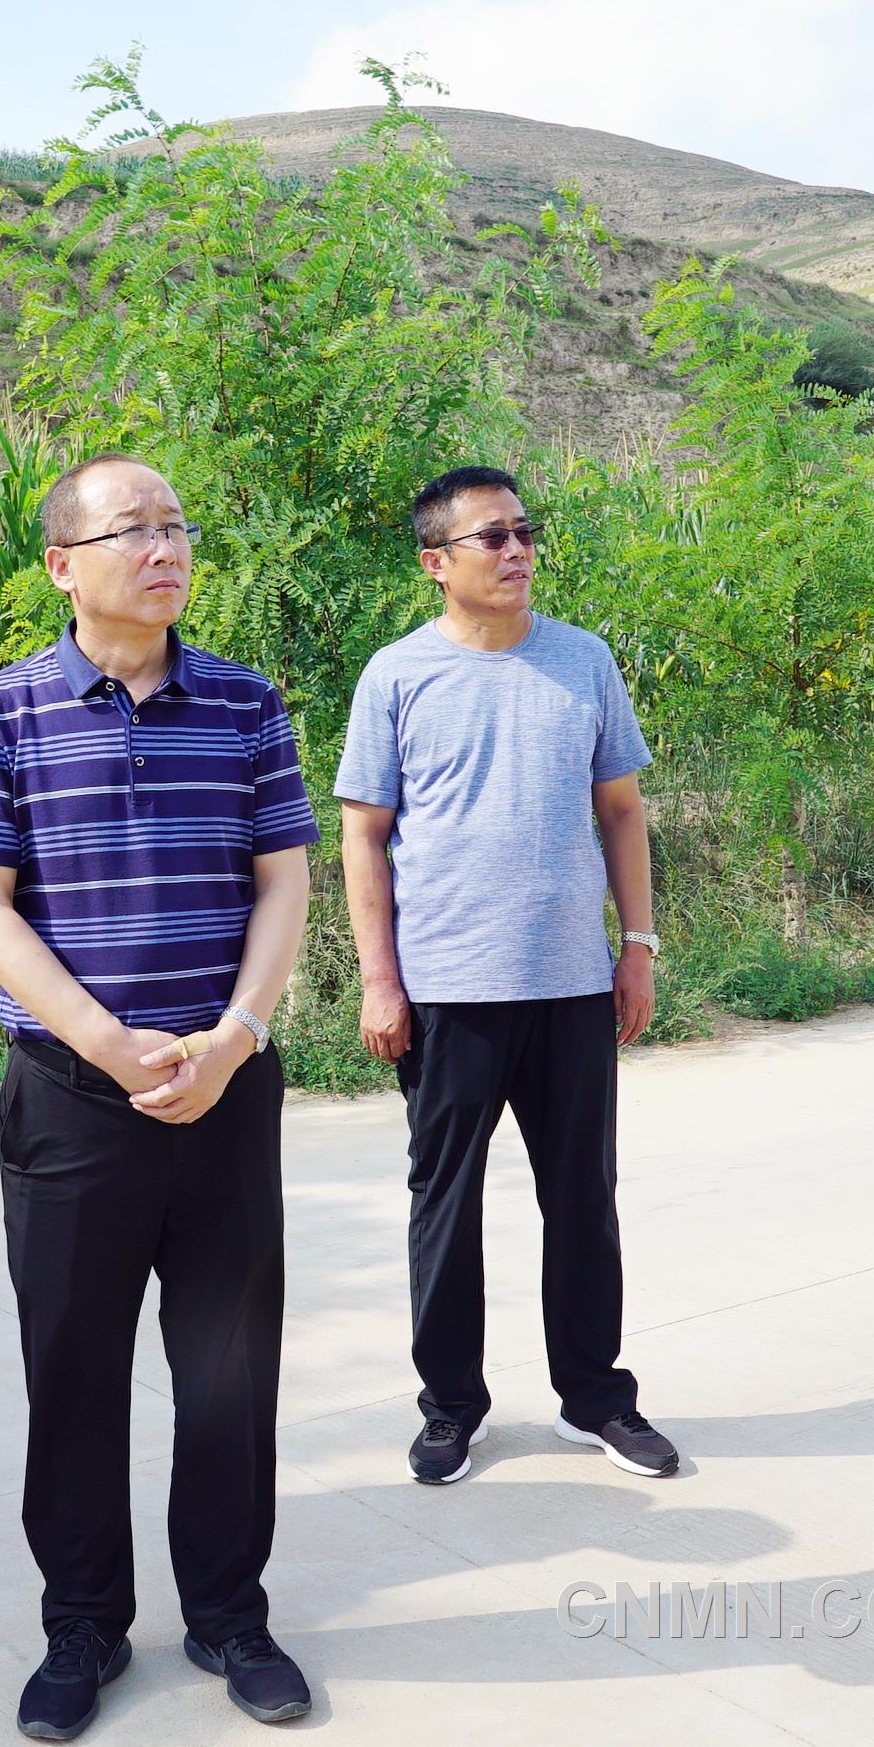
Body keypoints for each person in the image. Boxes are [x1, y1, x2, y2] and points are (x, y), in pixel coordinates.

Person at [0, 454, 318, 1742]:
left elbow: (283, 884)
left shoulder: (248, 706)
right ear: (63, 563)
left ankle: (227, 1615)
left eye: (175, 527)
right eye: (130, 530)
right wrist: (107, 1044)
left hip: (225, 1089)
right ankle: (81, 1625)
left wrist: (233, 1037)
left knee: (225, 1367)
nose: (162, 548)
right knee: (74, 1370)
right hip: (70, 1099)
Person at [335, 465, 672, 1488]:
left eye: (525, 532)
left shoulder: (583, 662)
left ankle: (593, 1399)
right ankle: (450, 1409)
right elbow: (361, 835)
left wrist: (637, 945)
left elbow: (619, 811)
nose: (517, 551)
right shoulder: (395, 676)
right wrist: (377, 980)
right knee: (445, 1202)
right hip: (445, 992)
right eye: (492, 538)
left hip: (568, 983)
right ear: (435, 563)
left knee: (582, 1198)